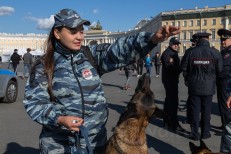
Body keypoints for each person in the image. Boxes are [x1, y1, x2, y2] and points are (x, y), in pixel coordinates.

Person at [23, 8, 181, 154]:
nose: (79, 36)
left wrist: (152, 38)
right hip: (60, 147)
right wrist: (59, 119)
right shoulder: (44, 66)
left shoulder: (90, 56)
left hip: (97, 143)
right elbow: (34, 103)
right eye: (73, 32)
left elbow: (119, 49)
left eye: (81, 31)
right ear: (57, 33)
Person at [181, 32, 223, 141]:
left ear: (198, 39)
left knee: (195, 111)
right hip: (209, 86)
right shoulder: (215, 53)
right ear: (208, 39)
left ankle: (195, 134)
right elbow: (220, 70)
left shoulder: (190, 52)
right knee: (206, 110)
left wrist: (187, 79)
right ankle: (205, 133)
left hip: (194, 86)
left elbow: (184, 68)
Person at [161, 37, 183, 132]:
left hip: (172, 79)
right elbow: (169, 67)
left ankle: (166, 120)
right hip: (170, 80)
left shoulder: (173, 53)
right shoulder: (167, 53)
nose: (176, 45)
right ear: (170, 43)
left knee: (168, 101)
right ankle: (174, 124)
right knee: (173, 102)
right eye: (175, 43)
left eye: (177, 44)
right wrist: (181, 69)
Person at [179, 34, 198, 124]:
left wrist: (186, 78)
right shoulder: (206, 50)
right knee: (200, 101)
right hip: (203, 81)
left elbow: (183, 66)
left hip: (191, 79)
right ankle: (201, 121)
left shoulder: (188, 51)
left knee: (191, 99)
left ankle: (190, 118)